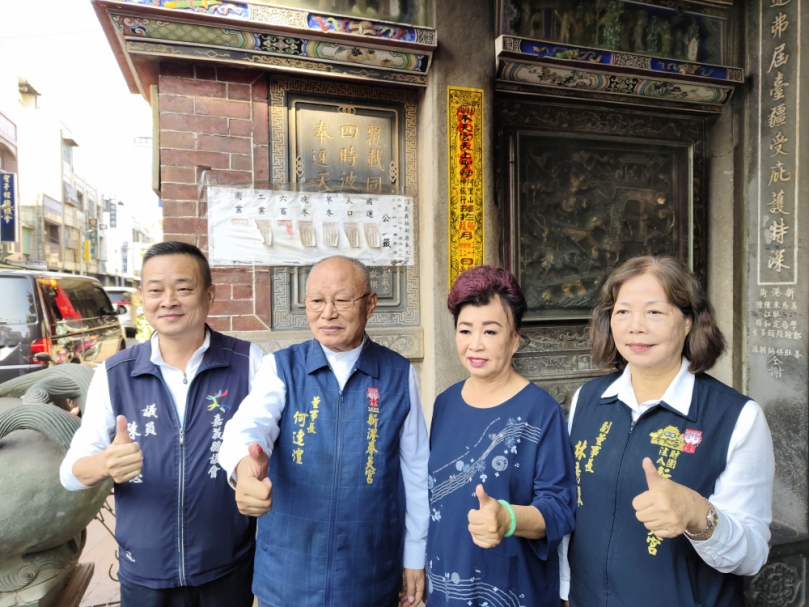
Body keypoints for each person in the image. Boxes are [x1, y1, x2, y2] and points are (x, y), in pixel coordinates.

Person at [560, 256, 774, 607]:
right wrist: (566, 591)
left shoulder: (737, 417)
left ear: (689, 321)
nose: (635, 327)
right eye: (623, 312)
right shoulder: (588, 399)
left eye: (655, 312)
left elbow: (751, 555)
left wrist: (697, 514)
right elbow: (576, 515)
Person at [218, 255, 430, 607]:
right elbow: (249, 426)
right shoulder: (281, 368)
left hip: (369, 572)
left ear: (370, 304)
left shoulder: (397, 373)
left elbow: (417, 471)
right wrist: (243, 469)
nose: (327, 313)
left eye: (342, 300)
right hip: (288, 574)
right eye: (316, 301)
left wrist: (415, 554)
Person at [60, 241, 263, 607]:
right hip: (145, 572)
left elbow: (267, 444)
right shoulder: (115, 373)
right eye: (155, 290)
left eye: (183, 288)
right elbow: (70, 473)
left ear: (209, 294)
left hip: (228, 565)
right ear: (142, 297)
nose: (168, 300)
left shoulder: (248, 362)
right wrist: (105, 463)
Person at [426, 265, 577, 607]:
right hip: (446, 583)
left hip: (512, 587)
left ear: (515, 339)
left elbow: (559, 509)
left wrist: (508, 519)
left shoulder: (541, 411)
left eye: (490, 332)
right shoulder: (445, 403)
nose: (475, 344)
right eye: (465, 330)